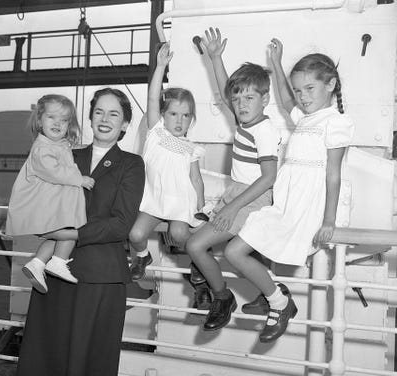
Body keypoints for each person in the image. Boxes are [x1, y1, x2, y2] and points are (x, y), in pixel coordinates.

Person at [223, 38, 355, 343]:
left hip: (306, 208)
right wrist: (277, 64)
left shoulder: (336, 123)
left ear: (331, 85)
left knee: (235, 250)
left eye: (309, 89)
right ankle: (277, 297)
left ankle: (277, 302)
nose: (302, 97)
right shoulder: (306, 119)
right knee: (234, 251)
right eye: (299, 90)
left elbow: (333, 175)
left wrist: (329, 221)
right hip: (285, 202)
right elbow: (284, 101)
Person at [14, 88, 145, 376]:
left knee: (90, 368)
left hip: (100, 278)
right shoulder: (65, 153)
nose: (105, 119)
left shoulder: (132, 164)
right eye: (99, 111)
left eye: (114, 114)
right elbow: (39, 204)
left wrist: (68, 233)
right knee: (45, 362)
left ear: (125, 124)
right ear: (89, 117)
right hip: (54, 277)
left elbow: (121, 225)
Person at [185, 27, 281, 322]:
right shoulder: (246, 122)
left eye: (249, 98)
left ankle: (227, 297)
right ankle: (227, 292)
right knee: (193, 240)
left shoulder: (264, 130)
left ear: (265, 99)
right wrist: (216, 58)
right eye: (238, 100)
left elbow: (269, 178)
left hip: (253, 196)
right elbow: (229, 92)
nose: (240, 105)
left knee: (197, 245)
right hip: (238, 192)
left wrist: (233, 206)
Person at [128, 42, 206, 281]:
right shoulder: (156, 133)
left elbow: (196, 178)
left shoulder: (190, 148)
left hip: (179, 203)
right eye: (173, 114)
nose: (179, 120)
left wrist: (200, 206)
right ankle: (142, 256)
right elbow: (152, 98)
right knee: (135, 234)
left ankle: (199, 261)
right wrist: (161, 66)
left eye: (186, 115)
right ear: (163, 115)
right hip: (154, 200)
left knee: (179, 232)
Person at [6, 94, 95, 294]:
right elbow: (53, 171)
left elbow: (67, 157)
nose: (58, 123)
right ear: (39, 120)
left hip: (53, 205)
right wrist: (80, 180)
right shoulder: (42, 148)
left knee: (59, 236)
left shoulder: (58, 144)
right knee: (72, 231)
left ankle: (37, 263)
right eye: (51, 117)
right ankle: (58, 262)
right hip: (45, 205)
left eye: (64, 120)